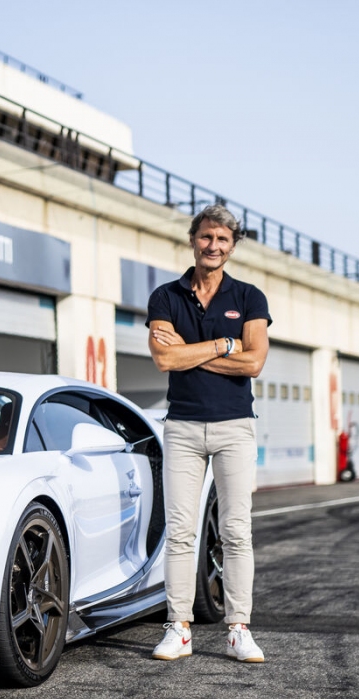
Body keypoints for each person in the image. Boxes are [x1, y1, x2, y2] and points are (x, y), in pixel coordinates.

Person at [145, 204, 270, 663]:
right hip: (181, 427)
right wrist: (223, 345)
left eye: (222, 239)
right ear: (193, 240)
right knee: (180, 531)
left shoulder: (250, 297)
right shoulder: (166, 297)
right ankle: (178, 628)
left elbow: (254, 362)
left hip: (235, 426)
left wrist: (192, 352)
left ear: (232, 247)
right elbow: (165, 359)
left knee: (236, 531)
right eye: (206, 237)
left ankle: (238, 629)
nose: (213, 246)